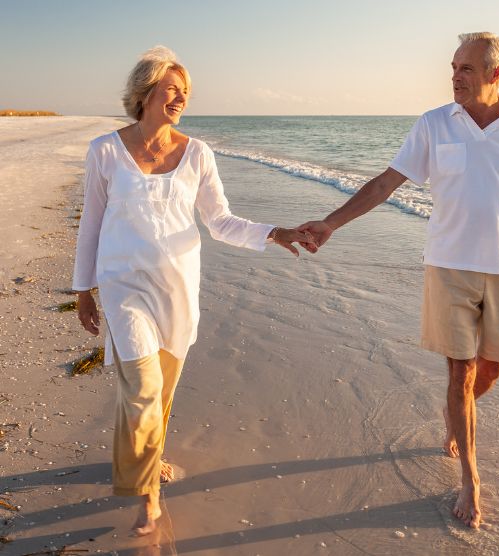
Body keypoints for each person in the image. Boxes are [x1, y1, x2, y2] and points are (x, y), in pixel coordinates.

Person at [299, 32, 499, 529]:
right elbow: (385, 183)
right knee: (460, 373)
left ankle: (455, 416)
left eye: (466, 68)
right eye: (453, 67)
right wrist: (332, 222)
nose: (455, 76)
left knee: (492, 371)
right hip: (449, 267)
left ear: (495, 73)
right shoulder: (434, 125)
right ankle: (470, 476)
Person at [72, 46, 315, 536]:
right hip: (124, 288)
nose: (181, 97)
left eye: (186, 91)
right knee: (141, 388)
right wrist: (84, 289)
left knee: (159, 393)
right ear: (145, 92)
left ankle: (148, 458)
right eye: (172, 88)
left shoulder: (198, 153)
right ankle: (149, 496)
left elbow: (220, 221)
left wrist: (275, 232)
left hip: (177, 290)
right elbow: (92, 225)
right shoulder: (104, 150)